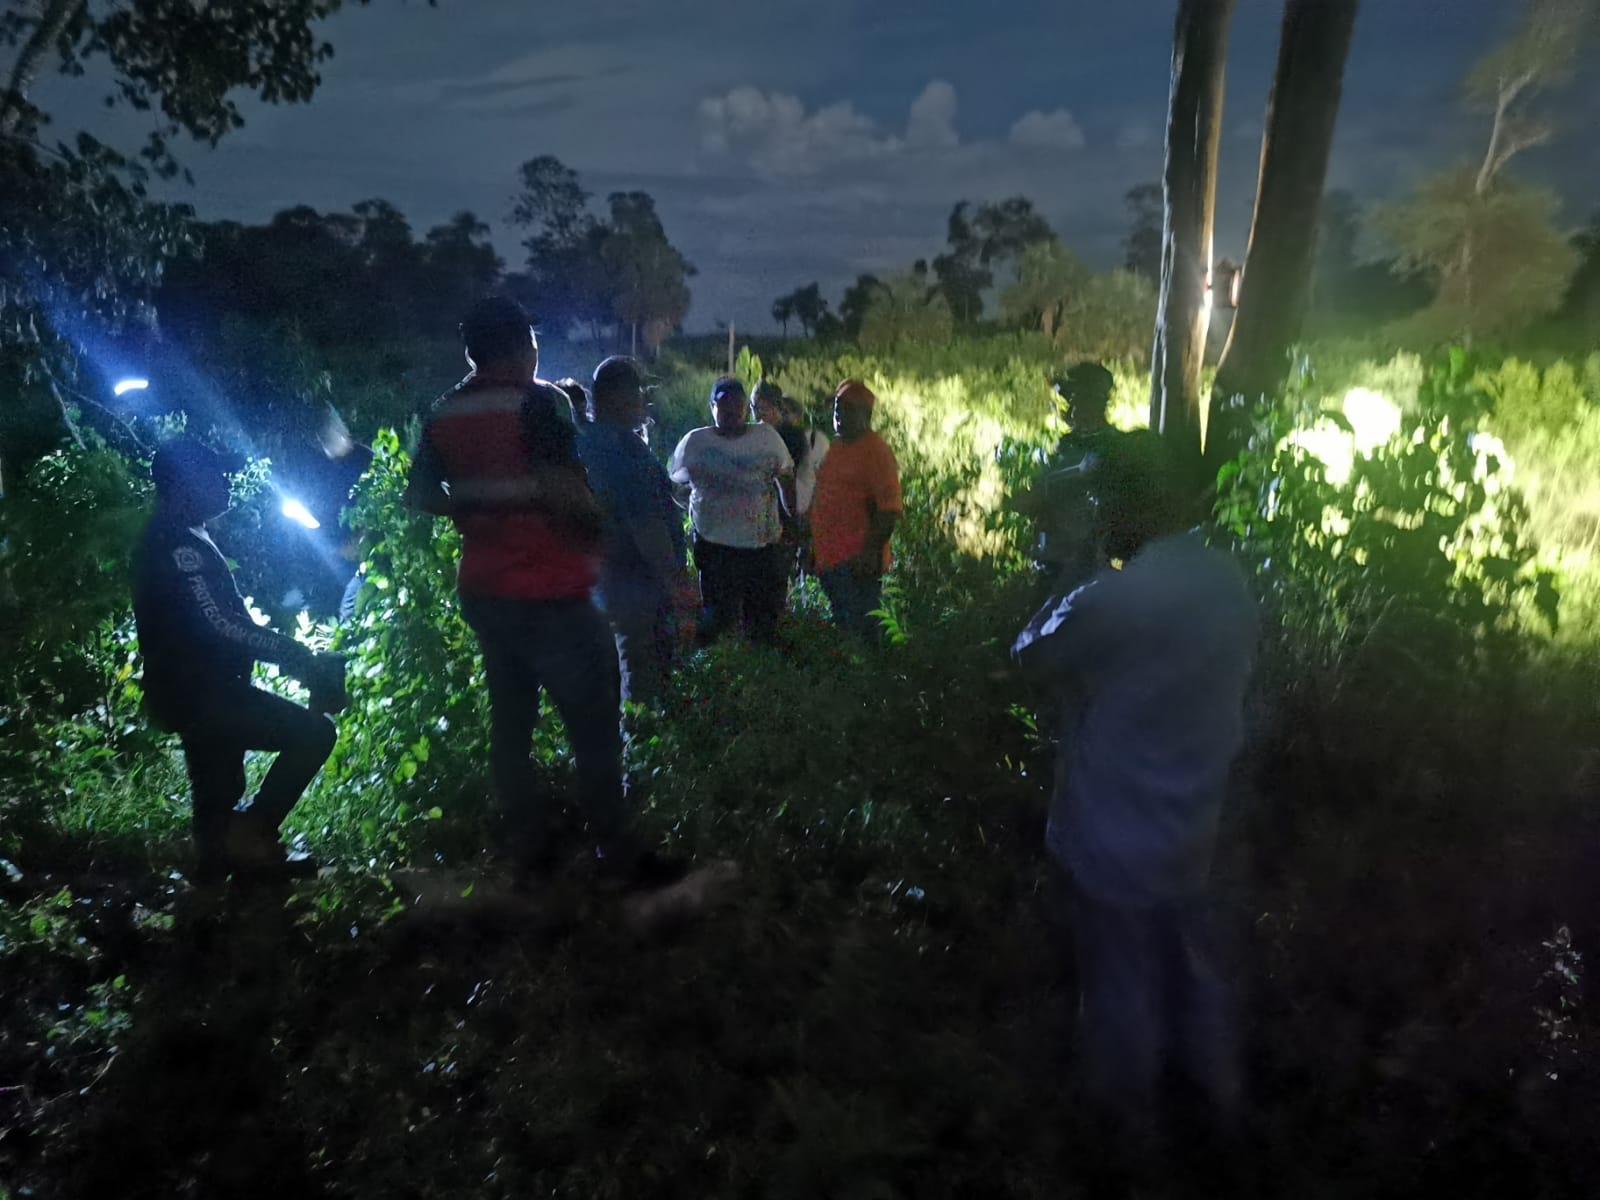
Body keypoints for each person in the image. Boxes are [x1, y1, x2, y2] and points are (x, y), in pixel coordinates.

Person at [1010, 430, 1257, 1159]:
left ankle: (1127, 1142)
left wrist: (1068, 565)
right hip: (1197, 821)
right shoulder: (1227, 579)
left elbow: (1028, 655)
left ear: (1120, 506)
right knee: (1194, 966)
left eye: (1098, 499)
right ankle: (1222, 1113)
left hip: (1115, 831)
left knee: (1121, 986)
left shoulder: (1114, 598)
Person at [404, 296, 650, 883]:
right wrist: (598, 529)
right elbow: (565, 490)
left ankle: (528, 853)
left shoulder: (444, 413)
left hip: (487, 591)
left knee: (511, 726)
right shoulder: (541, 404)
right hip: (551, 589)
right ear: (521, 346)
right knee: (593, 725)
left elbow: (420, 495)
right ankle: (611, 853)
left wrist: (478, 503)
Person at [133, 436, 348, 883]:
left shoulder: (181, 535)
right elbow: (218, 623)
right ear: (184, 484)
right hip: (201, 693)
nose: (225, 482)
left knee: (219, 789)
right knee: (313, 734)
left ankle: (224, 871)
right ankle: (251, 834)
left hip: (192, 690)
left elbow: (219, 621)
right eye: (214, 475)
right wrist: (293, 654)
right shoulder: (179, 546)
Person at [577, 356, 690, 704]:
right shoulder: (620, 447)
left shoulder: (589, 441)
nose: (643, 401)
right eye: (639, 392)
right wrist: (675, 578)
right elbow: (645, 522)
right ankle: (644, 748)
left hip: (606, 581)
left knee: (618, 671)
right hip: (635, 583)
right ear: (617, 397)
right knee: (642, 673)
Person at [668, 376, 795, 646]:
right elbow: (675, 486)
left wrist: (792, 520)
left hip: (760, 546)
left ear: (744, 407)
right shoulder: (695, 443)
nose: (731, 412)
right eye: (723, 406)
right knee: (717, 618)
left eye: (737, 405)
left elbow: (786, 478)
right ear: (712, 407)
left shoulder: (766, 438)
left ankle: (762, 673)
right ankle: (717, 674)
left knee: (762, 618)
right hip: (715, 548)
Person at [1013, 361, 1121, 591]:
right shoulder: (1066, 444)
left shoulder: (1114, 446)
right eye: (1071, 400)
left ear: (1096, 403)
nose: (1072, 409)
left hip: (1086, 567)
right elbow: (1043, 489)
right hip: (1050, 562)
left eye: (1079, 400)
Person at [809, 380, 901, 641]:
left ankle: (868, 679)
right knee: (844, 629)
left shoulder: (876, 452)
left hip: (856, 564)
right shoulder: (838, 446)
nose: (838, 414)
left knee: (861, 634)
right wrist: (812, 545)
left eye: (848, 408)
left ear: (866, 414)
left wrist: (869, 552)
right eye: (837, 407)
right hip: (831, 560)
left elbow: (888, 510)